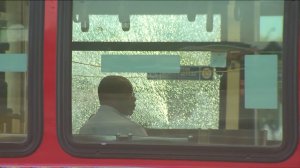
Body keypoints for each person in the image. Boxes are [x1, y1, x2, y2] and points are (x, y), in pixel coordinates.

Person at [79, 75, 148, 136]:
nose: (134, 99)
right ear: (114, 98)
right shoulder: (133, 130)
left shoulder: (86, 128)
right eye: (131, 94)